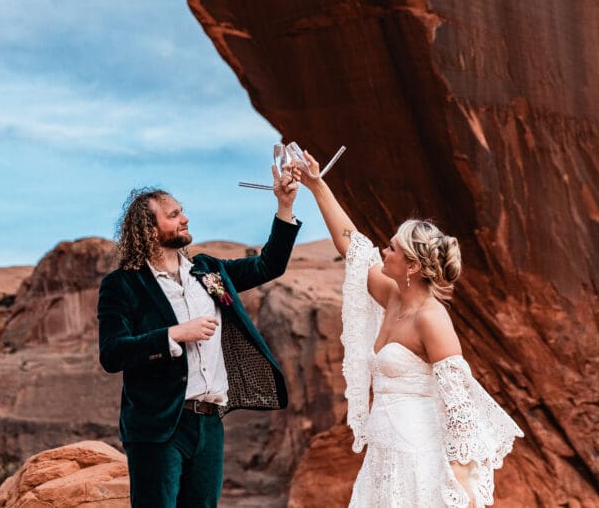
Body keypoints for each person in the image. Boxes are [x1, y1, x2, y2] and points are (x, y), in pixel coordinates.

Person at [297, 151, 523, 508]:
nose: (383, 252)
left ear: (412, 266)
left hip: (417, 456)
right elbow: (352, 245)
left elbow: (459, 405)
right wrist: (316, 185)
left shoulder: (431, 318)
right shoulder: (392, 296)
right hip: (384, 453)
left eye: (391, 249)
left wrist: (460, 481)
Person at [97, 167, 301, 507]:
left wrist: (285, 206)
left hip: (209, 424)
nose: (185, 219)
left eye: (182, 211)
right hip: (159, 426)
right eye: (174, 215)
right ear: (149, 230)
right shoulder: (123, 285)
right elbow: (112, 353)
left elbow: (269, 265)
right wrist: (174, 334)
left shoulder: (208, 271)